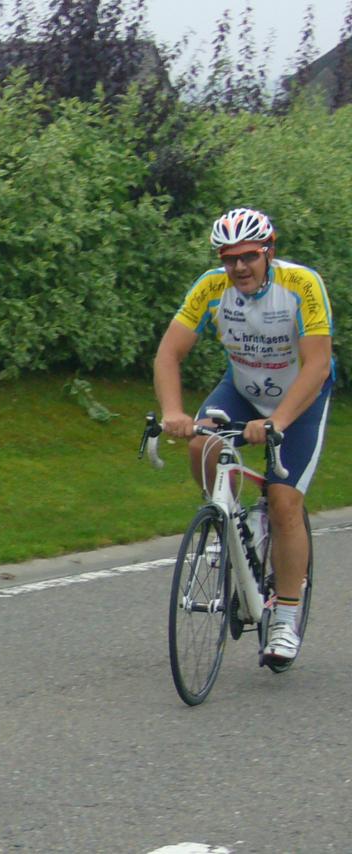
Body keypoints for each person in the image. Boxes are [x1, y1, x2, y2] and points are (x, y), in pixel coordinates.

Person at [153, 207, 334, 664]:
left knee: (284, 502)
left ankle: (285, 617)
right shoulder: (211, 288)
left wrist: (279, 422)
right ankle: (227, 517)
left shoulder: (302, 285)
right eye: (229, 258)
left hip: (300, 398)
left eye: (249, 256)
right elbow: (169, 354)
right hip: (243, 389)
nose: (239, 267)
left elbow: (317, 364)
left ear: (269, 251)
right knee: (201, 443)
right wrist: (173, 412)